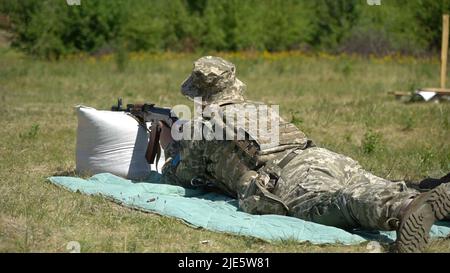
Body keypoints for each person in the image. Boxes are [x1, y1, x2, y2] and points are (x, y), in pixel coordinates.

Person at [158, 56, 450, 253]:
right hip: (321, 157)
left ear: (198, 94)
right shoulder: (258, 107)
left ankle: (404, 208)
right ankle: (431, 190)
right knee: (372, 183)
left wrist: (169, 143)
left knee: (339, 204)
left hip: (286, 176)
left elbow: (183, 177)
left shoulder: (204, 126)